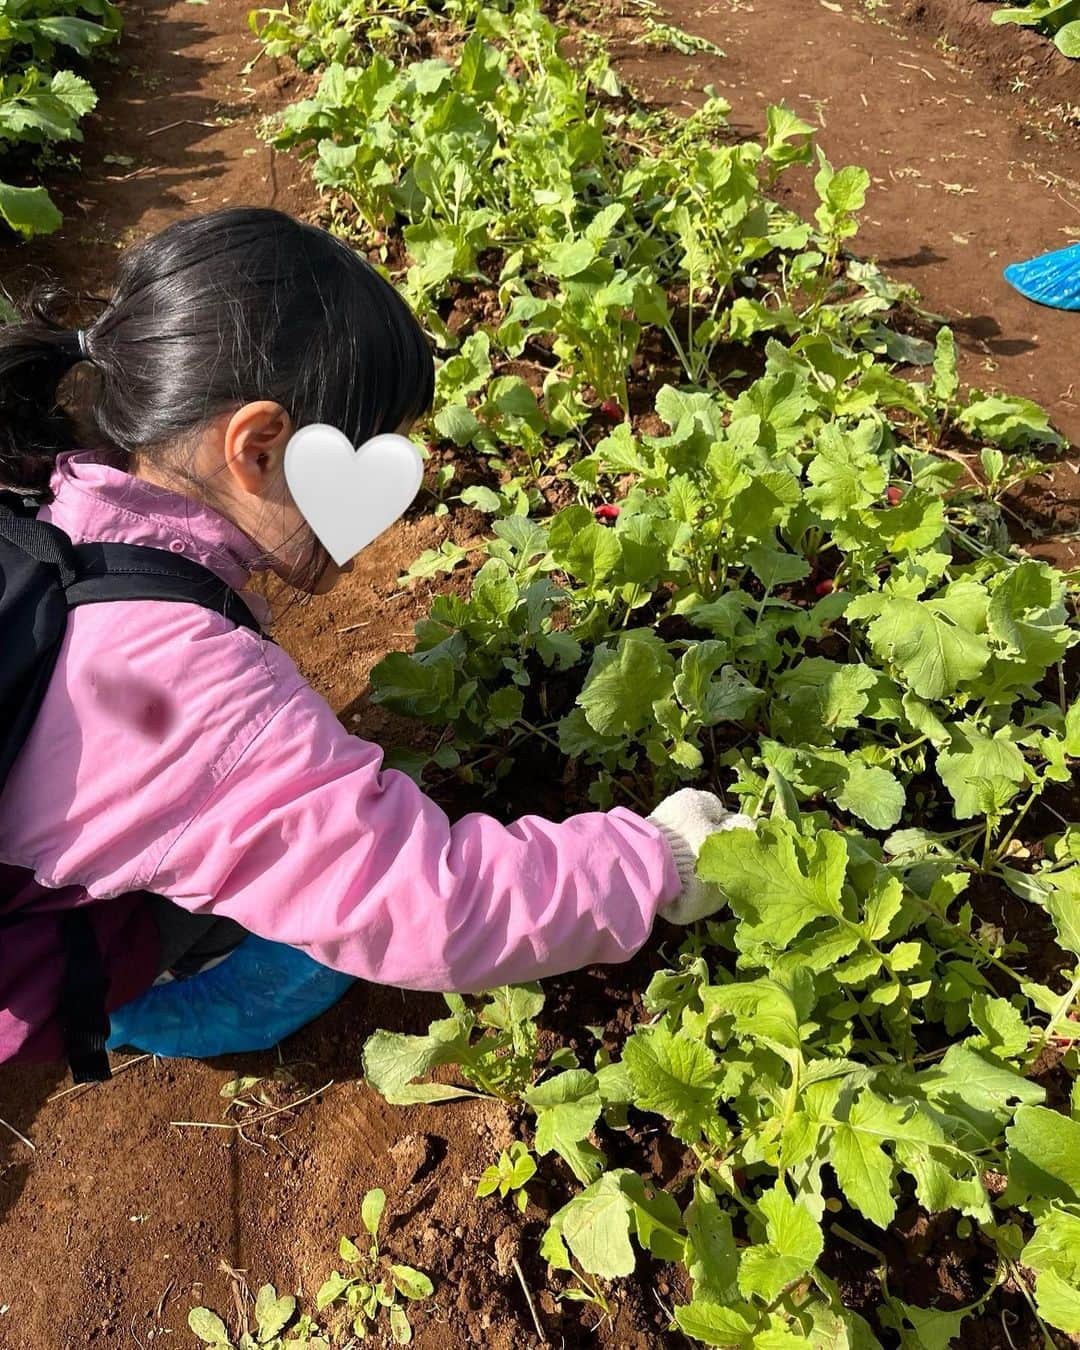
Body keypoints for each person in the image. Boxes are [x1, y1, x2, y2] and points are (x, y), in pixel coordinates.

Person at [0, 207, 750, 1071]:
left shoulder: (57, 499)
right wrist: (658, 859)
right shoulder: (193, 697)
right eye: (365, 454)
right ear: (258, 445)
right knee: (305, 954)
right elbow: (431, 904)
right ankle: (140, 1008)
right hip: (21, 958)